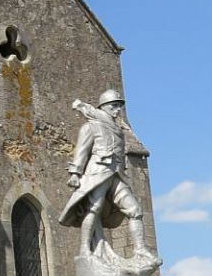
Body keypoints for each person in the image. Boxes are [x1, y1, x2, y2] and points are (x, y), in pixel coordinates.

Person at [56, 89, 153, 260]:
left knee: (135, 210)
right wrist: (75, 173)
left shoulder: (119, 130)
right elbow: (82, 151)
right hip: (98, 172)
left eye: (119, 107)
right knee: (94, 209)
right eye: (114, 106)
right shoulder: (90, 126)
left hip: (116, 174)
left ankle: (140, 249)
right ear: (104, 107)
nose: (118, 110)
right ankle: (85, 250)